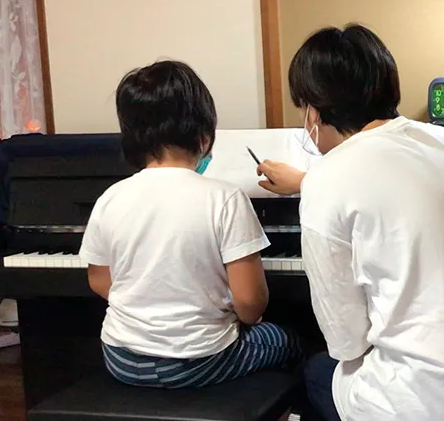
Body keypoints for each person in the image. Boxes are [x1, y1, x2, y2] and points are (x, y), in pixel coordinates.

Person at [257, 25, 444, 420]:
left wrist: (312, 183)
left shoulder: (329, 177)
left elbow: (346, 342)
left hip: (434, 402)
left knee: (316, 371)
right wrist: (306, 181)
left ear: (314, 110)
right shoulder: (442, 140)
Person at [79, 60, 302, 391]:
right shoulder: (225, 198)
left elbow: (98, 280)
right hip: (199, 361)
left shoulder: (110, 197)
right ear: (204, 136)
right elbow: (250, 302)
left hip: (120, 358)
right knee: (287, 340)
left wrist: (148, 304)